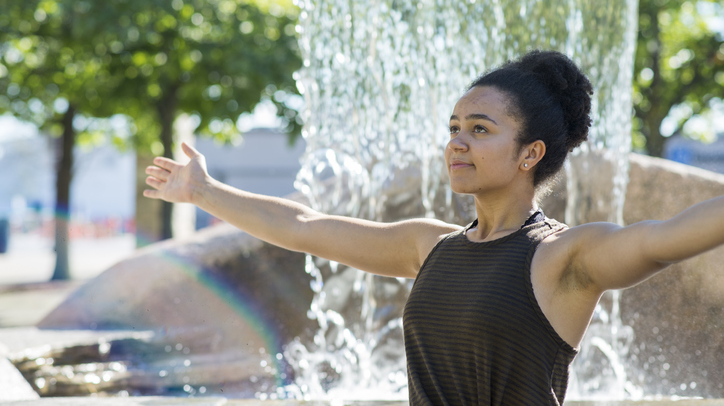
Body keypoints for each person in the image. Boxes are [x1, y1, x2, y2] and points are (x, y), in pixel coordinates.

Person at [144, 50, 724, 405]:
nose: (456, 141)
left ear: (529, 154)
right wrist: (203, 191)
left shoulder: (564, 257)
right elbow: (303, 225)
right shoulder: (427, 246)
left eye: (479, 129)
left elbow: (662, 237)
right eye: (453, 127)